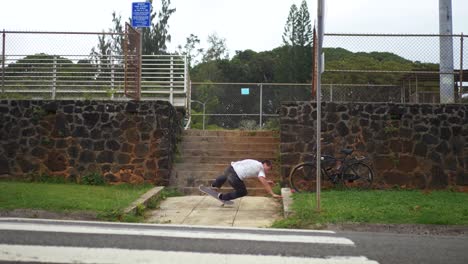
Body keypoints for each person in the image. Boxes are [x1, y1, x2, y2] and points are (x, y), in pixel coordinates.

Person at [210, 159, 282, 201]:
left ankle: (214, 185)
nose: (267, 171)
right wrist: (272, 194)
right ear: (265, 164)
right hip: (235, 176)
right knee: (242, 192)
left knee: (225, 175)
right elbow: (262, 181)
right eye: (268, 168)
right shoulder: (260, 168)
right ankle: (222, 197)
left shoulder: (254, 163)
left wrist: (266, 181)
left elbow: (256, 177)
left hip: (231, 167)